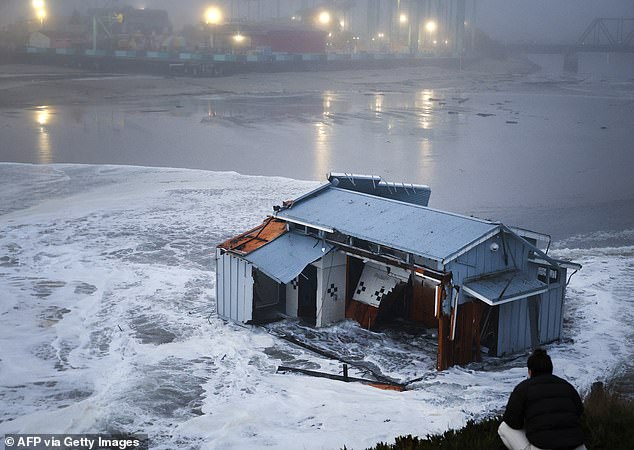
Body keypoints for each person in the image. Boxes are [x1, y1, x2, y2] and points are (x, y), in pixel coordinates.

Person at [498, 348, 586, 450]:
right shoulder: (567, 386)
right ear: (550, 369)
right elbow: (579, 412)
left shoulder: (523, 388)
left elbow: (512, 422)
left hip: (544, 446)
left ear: (530, 372)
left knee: (504, 427)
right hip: (577, 446)